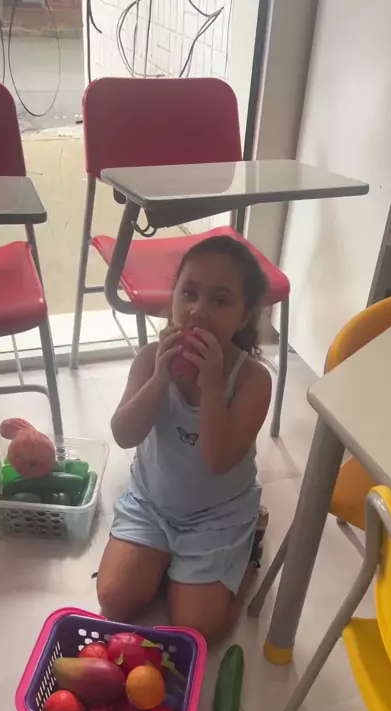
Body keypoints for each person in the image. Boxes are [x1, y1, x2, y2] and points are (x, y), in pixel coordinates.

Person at [97, 235, 272, 642]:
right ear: (173, 295)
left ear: (244, 316)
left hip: (218, 514)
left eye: (220, 300)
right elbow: (124, 434)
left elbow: (217, 460)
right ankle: (169, 564)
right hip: (152, 503)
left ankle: (246, 559)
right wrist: (160, 378)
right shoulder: (150, 358)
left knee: (197, 631)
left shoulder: (251, 379)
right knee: (115, 599)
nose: (198, 311)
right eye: (189, 293)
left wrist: (212, 387)